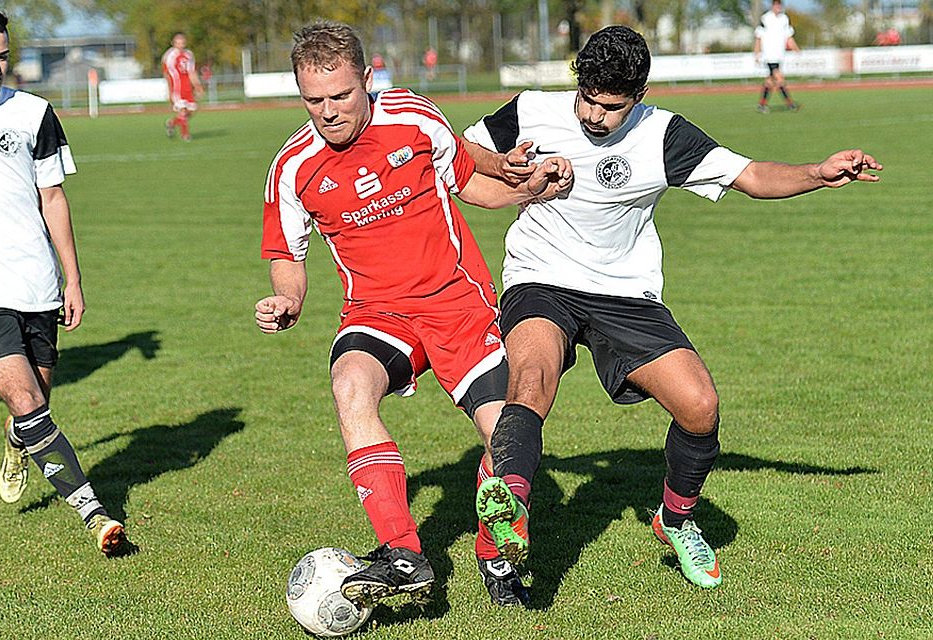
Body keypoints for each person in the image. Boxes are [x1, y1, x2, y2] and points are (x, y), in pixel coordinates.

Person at [462, 25, 880, 591]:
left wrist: (818, 173)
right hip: (542, 277)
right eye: (586, 98)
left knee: (700, 406)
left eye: (610, 107)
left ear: (639, 96)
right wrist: (511, 168)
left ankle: (675, 519)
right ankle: (503, 534)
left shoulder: (663, 135)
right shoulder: (530, 111)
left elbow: (750, 176)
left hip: (624, 291)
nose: (593, 116)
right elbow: (462, 158)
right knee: (531, 378)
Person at [254, 21, 570, 609]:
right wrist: (288, 300)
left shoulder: (415, 118)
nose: (327, 112)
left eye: (340, 96)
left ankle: (495, 558)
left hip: (457, 304)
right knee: (350, 384)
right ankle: (404, 553)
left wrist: (528, 188)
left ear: (367, 80)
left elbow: (468, 181)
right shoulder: (293, 167)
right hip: (376, 312)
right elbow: (286, 254)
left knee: (507, 433)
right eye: (313, 100)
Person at [0, 6, 130, 556]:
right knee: (23, 397)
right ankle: (96, 516)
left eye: (2, 58)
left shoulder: (34, 113)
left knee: (35, 404)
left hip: (35, 285)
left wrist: (73, 279)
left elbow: (53, 199)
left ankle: (19, 443)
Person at [754, 0, 800, 113]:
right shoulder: (765, 18)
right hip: (769, 55)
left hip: (779, 55)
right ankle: (790, 103)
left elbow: (788, 36)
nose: (778, 6)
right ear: (772, 5)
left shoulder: (784, 19)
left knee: (769, 81)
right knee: (779, 78)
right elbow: (758, 37)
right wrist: (757, 53)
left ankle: (762, 104)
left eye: (779, 4)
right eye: (776, 4)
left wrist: (796, 49)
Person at [161, 32, 203, 140]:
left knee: (191, 111)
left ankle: (172, 123)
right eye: (177, 43)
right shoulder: (169, 56)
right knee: (183, 111)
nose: (180, 45)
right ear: (173, 43)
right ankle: (185, 135)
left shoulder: (189, 55)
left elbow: (191, 72)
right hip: (177, 88)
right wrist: (169, 91)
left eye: (182, 43)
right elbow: (167, 74)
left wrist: (198, 86)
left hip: (188, 88)